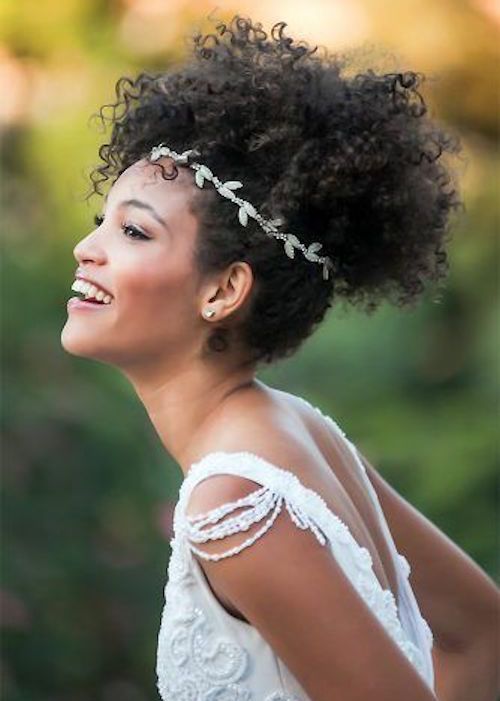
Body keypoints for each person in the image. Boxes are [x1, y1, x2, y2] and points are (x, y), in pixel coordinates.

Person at [60, 13, 499, 701]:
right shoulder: (293, 426)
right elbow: (483, 633)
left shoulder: (237, 501)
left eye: (135, 231)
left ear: (225, 289)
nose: (90, 248)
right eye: (102, 222)